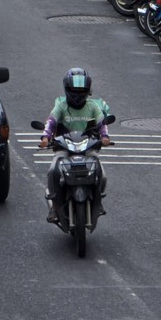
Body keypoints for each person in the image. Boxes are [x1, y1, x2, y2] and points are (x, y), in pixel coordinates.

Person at [39, 68, 111, 223]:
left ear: (87, 91)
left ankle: (98, 202)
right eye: (73, 90)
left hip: (87, 148)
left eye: (81, 91)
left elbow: (101, 123)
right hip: (64, 148)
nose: (77, 94)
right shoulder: (61, 106)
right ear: (66, 89)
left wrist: (105, 137)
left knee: (102, 174)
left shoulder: (92, 106)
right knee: (53, 171)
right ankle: (54, 207)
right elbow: (51, 122)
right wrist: (45, 137)